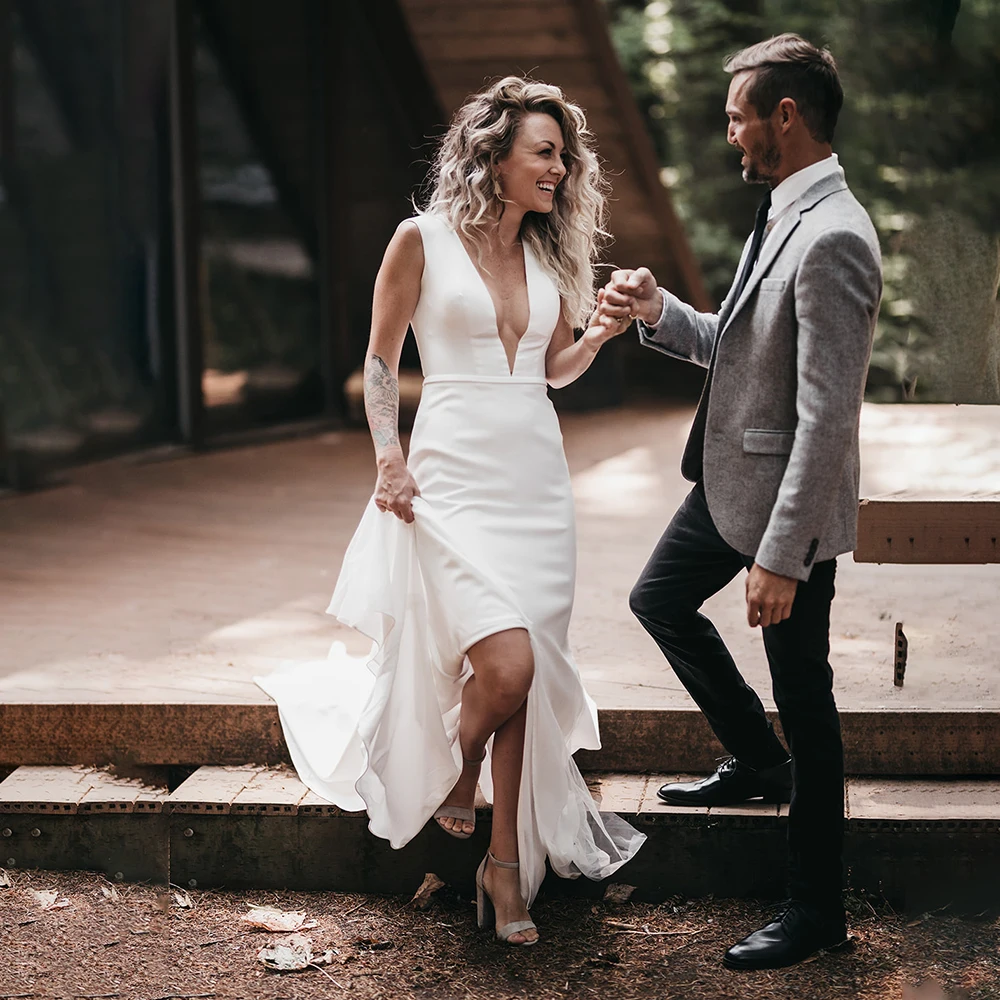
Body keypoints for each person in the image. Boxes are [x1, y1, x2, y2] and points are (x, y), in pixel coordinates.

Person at [258, 77, 644, 947]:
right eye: (545, 152)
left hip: (537, 487)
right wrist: (386, 455)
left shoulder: (548, 253)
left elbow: (552, 372)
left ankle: (506, 872)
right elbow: (379, 360)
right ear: (495, 154)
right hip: (451, 481)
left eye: (564, 155)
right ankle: (454, 765)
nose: (561, 168)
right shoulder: (419, 240)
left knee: (525, 674)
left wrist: (601, 334)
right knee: (502, 671)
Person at [599, 34, 883, 970]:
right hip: (731, 484)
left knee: (807, 699)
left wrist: (781, 557)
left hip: (782, 511)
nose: (732, 136)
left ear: (786, 117)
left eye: (738, 118)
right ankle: (756, 764)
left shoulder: (835, 234)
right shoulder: (785, 210)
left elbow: (826, 417)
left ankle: (816, 914)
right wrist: (658, 311)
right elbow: (740, 345)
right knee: (658, 599)